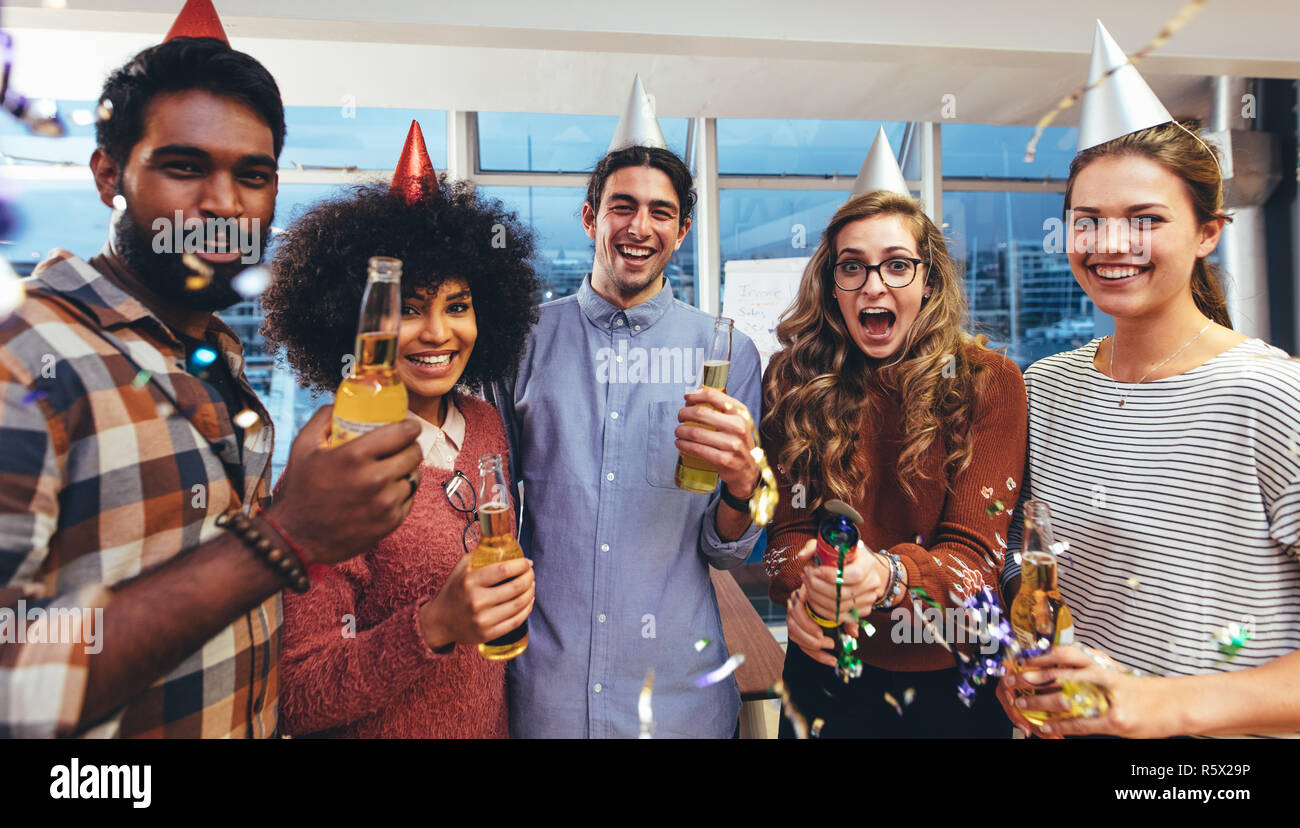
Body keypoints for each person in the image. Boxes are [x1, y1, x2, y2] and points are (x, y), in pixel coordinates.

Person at [0, 31, 421, 738]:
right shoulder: (26, 358)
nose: (223, 203)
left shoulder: (209, 350)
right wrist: (286, 534)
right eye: (184, 166)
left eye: (252, 175)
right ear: (109, 175)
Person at [996, 119, 1300, 738]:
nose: (1110, 243)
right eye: (1089, 219)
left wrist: (1157, 705)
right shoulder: (1047, 387)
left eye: (1146, 219)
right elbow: (1029, 568)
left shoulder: (1270, 396)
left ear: (1208, 232)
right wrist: (1024, 661)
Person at [260, 122, 540, 737]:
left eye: (457, 305)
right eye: (409, 309)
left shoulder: (486, 423)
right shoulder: (341, 455)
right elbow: (301, 696)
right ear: (363, 322)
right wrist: (434, 625)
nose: (439, 333)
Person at [489, 140, 765, 738]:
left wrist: (745, 488)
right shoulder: (524, 343)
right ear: (591, 217)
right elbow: (490, 506)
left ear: (682, 230)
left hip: (678, 702)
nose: (640, 227)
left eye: (661, 212)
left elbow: (725, 550)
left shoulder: (726, 353)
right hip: (545, 693)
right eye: (622, 206)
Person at [762, 187, 1027, 738]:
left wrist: (887, 577)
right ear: (832, 287)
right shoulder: (792, 380)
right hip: (826, 671)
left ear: (929, 280)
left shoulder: (989, 381)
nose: (874, 285)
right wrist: (803, 587)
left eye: (897, 266)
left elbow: (976, 558)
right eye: (852, 267)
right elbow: (786, 532)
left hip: (955, 681)